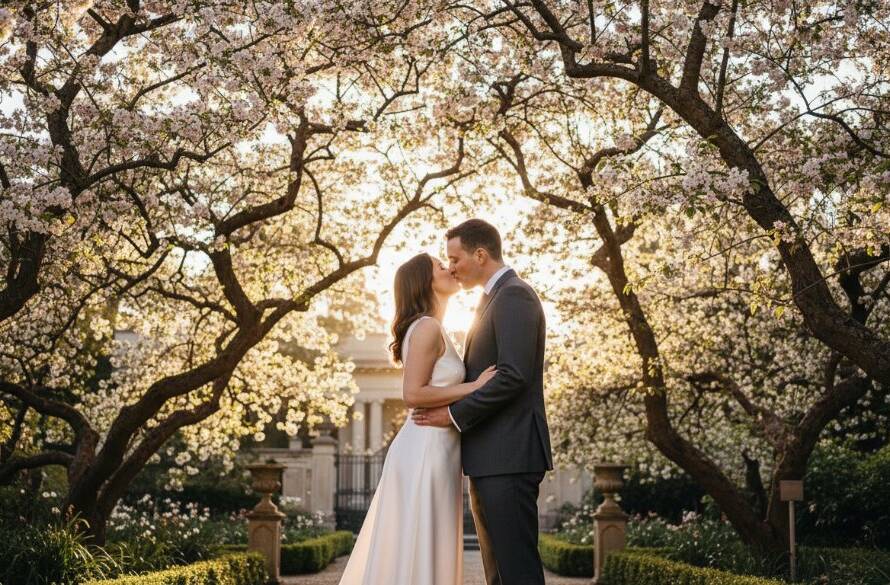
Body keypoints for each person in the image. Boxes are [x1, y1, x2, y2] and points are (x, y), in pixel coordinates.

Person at [338, 252, 496, 585]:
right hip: (426, 447)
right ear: (425, 282)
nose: (450, 269)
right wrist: (474, 387)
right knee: (422, 539)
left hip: (438, 446)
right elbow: (413, 394)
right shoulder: (425, 327)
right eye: (442, 266)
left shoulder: (434, 327)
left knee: (426, 539)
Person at [413, 218, 553, 585]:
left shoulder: (514, 295)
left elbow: (513, 375)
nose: (452, 267)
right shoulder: (491, 300)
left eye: (454, 258)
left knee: (516, 568)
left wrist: (453, 416)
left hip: (509, 455)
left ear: (480, 254)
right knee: (499, 571)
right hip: (491, 457)